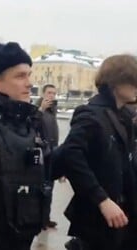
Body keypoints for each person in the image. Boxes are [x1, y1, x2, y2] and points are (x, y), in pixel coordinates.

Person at [0, 42, 51, 250]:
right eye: (20, 76)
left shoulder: (30, 121)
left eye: (29, 75)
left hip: (23, 233)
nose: (29, 83)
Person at [55, 54, 137, 250]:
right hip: (100, 218)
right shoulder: (90, 114)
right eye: (133, 81)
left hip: (124, 215)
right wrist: (102, 199)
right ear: (116, 83)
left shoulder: (123, 116)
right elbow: (71, 155)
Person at [35, 84, 59, 229]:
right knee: (42, 189)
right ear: (43, 94)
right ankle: (40, 220)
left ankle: (46, 218)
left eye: (54, 93)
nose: (51, 96)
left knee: (49, 189)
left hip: (52, 154)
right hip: (42, 154)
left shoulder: (52, 112)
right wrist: (41, 109)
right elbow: (32, 126)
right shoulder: (37, 110)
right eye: (49, 93)